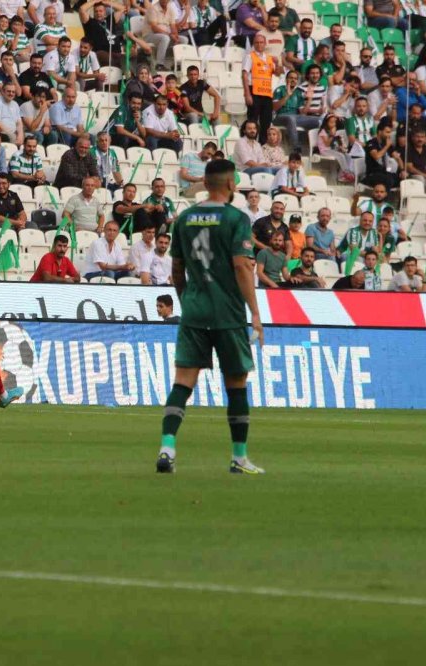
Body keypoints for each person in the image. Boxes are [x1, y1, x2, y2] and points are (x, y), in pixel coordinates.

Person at [156, 158, 265, 475]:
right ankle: (239, 457)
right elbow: (242, 265)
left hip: (194, 310)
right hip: (227, 313)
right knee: (236, 384)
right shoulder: (236, 218)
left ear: (205, 183)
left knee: (182, 382)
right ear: (231, 184)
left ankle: (167, 447)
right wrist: (255, 313)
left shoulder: (186, 218)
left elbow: (176, 269)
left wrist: (186, 301)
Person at [242, 34, 280, 143]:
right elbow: (244, 75)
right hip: (254, 91)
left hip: (267, 94)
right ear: (254, 44)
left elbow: (277, 73)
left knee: (266, 123)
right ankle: (250, 144)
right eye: (257, 43)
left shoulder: (269, 58)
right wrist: (247, 94)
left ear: (265, 44)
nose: (259, 45)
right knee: (252, 122)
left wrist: (277, 64)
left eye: (261, 42)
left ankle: (262, 146)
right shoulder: (250, 57)